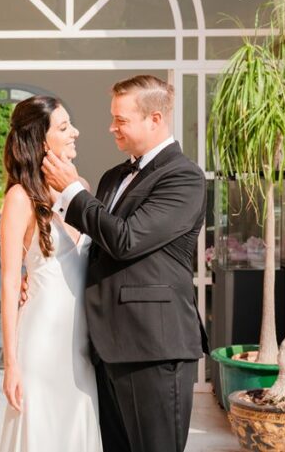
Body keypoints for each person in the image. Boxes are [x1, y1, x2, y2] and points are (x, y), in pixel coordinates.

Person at [42, 75, 209, 452]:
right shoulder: (113, 177)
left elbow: (125, 240)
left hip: (153, 347)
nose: (111, 127)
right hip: (107, 346)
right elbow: (92, 247)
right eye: (112, 117)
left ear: (155, 119)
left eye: (121, 120)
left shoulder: (184, 177)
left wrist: (72, 190)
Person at [0, 95, 102, 452]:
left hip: (82, 342)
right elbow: (11, 284)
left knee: (78, 429)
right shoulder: (19, 198)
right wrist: (11, 364)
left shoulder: (82, 189)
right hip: (40, 344)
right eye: (63, 127)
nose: (75, 132)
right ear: (41, 140)